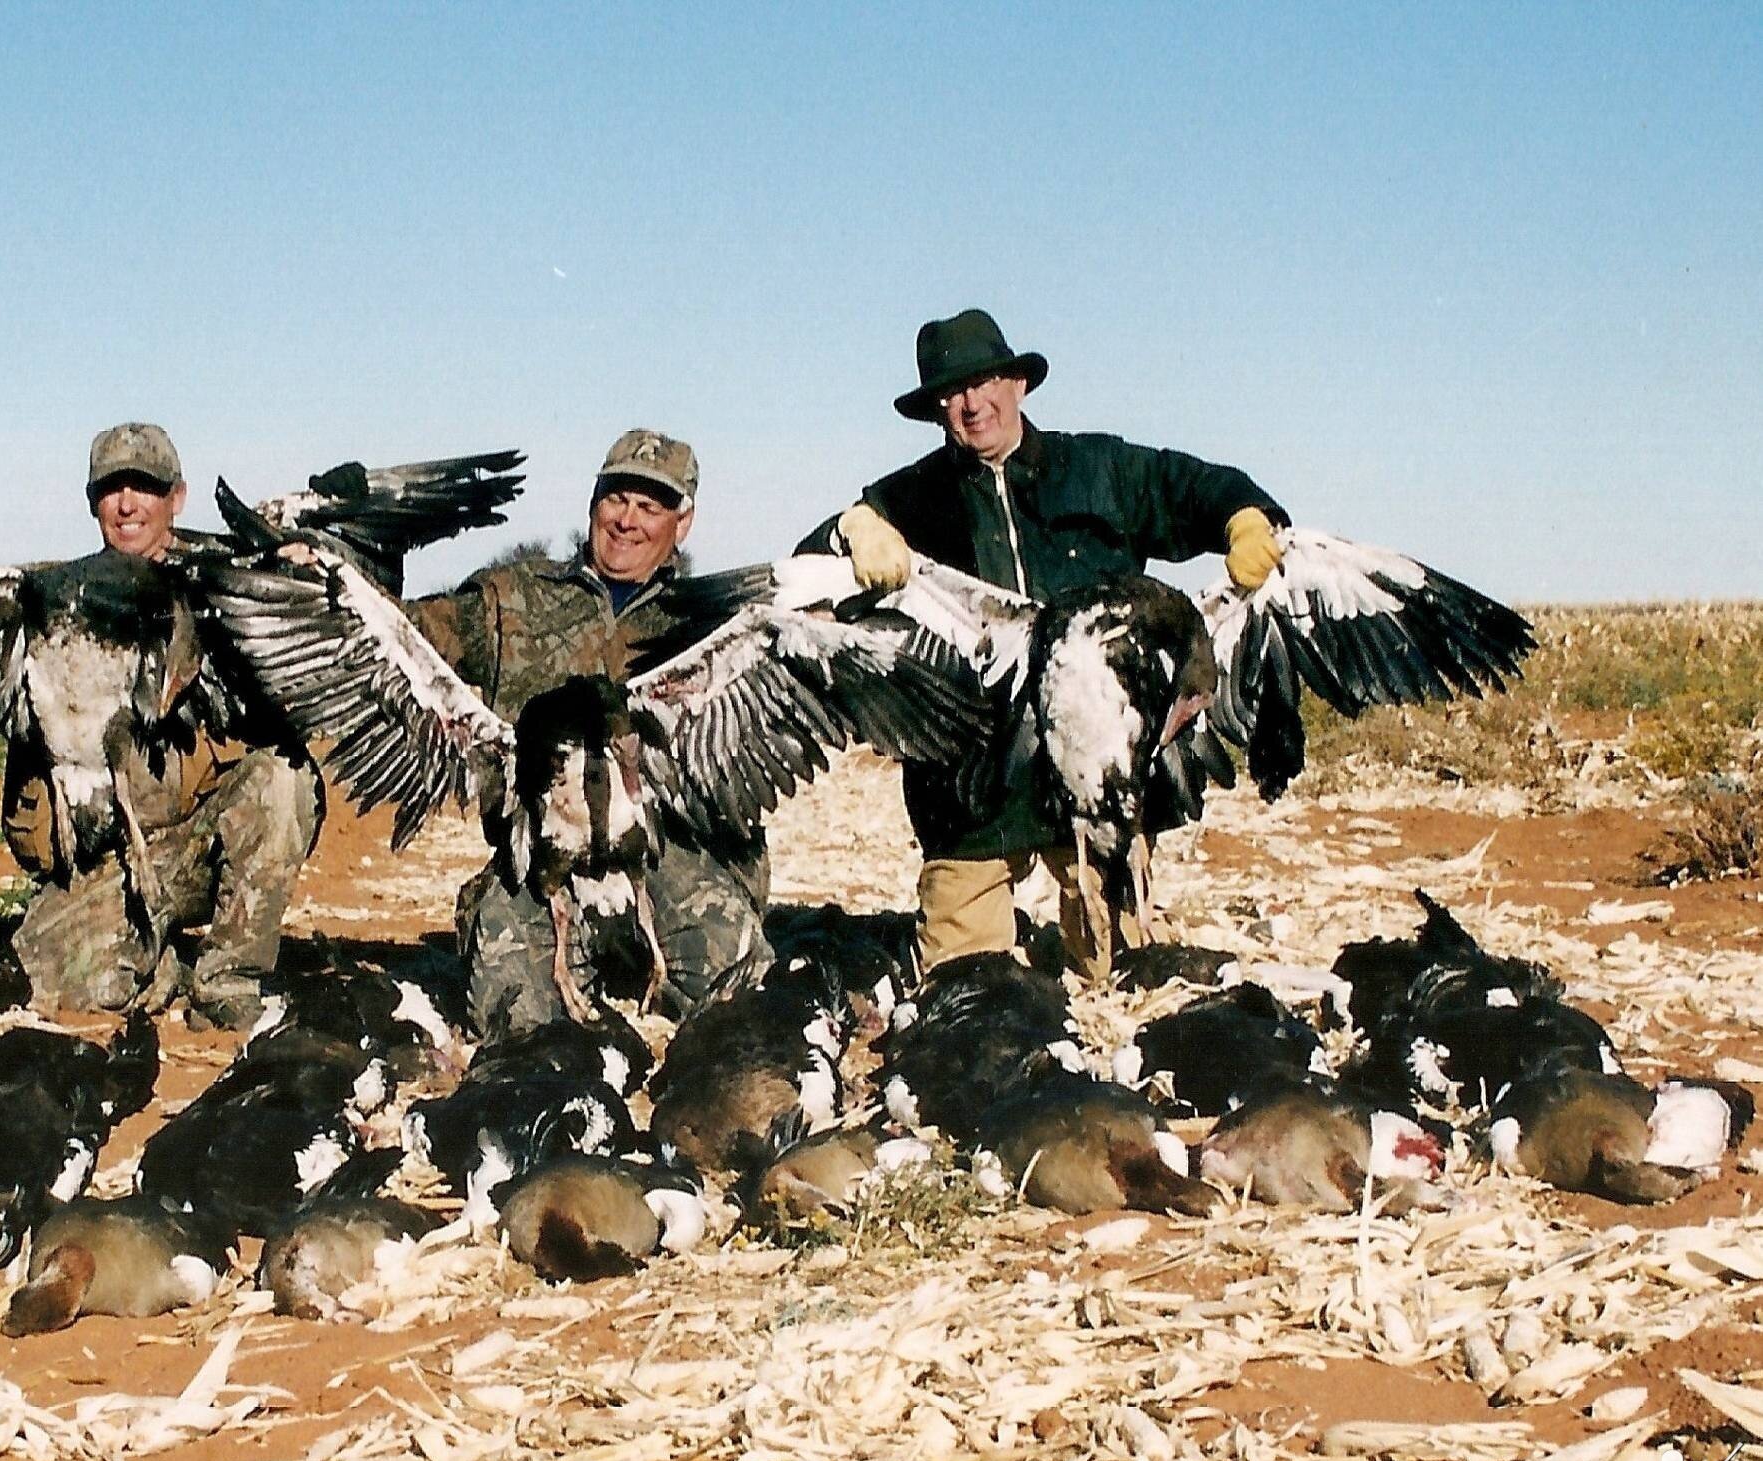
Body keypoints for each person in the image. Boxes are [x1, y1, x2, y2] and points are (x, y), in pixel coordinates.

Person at [814, 309, 1288, 975]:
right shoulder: (909, 500)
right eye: (952, 393)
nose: (972, 404)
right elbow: (804, 582)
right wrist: (849, 530)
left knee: (1118, 972)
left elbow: (1193, 488)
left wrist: (1244, 514)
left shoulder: (1100, 469)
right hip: (967, 777)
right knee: (963, 987)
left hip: (1100, 776)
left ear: (1018, 384)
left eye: (984, 382)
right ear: (936, 410)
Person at [411, 429, 773, 1037]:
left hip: (672, 858)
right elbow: (405, 634)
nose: (628, 520)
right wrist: (335, 559)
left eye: (651, 506)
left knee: (740, 1010)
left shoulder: (710, 623)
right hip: (544, 859)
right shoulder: (512, 598)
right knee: (516, 1019)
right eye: (616, 498)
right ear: (592, 502)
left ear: (682, 523)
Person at [4, 422, 324, 1029]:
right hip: (105, 866)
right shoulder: (49, 604)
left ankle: (229, 978)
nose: (127, 504)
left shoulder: (231, 586)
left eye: (144, 487)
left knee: (282, 781)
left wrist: (299, 585)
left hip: (201, 843)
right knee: (61, 986)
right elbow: (31, 840)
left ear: (176, 497)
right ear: (92, 500)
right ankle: (160, 966)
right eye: (111, 488)